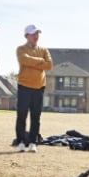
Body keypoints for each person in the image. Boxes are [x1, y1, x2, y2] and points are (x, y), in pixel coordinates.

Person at [15, 25, 52, 153]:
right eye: (33, 34)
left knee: (36, 117)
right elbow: (23, 60)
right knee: (22, 115)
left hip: (39, 87)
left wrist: (34, 62)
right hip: (24, 86)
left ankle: (32, 142)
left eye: (37, 34)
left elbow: (49, 65)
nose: (36, 36)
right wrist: (40, 61)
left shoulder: (44, 49)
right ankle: (20, 141)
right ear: (26, 36)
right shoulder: (20, 49)